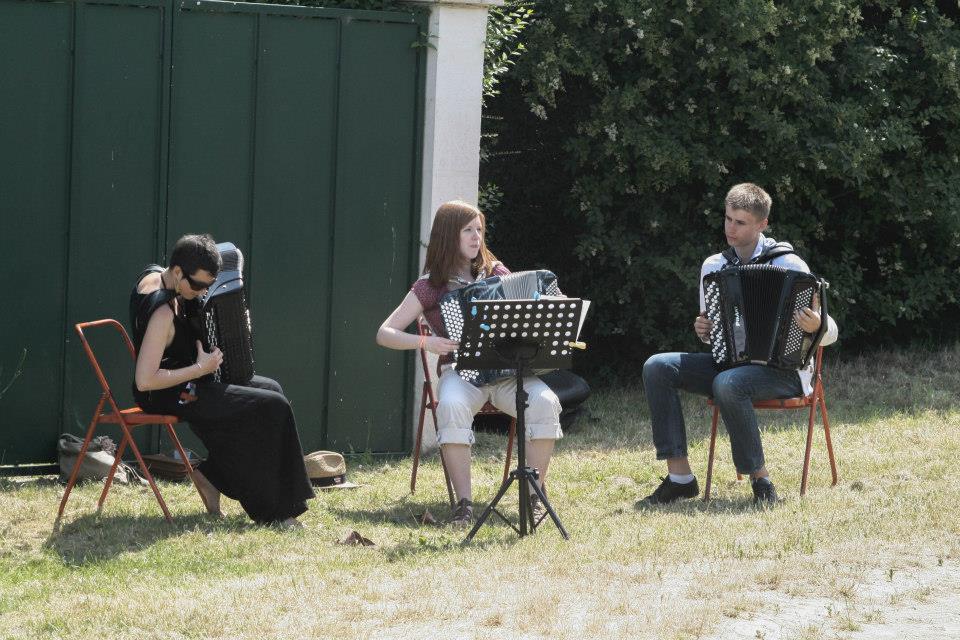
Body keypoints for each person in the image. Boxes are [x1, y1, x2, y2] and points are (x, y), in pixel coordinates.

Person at [641, 183, 838, 505]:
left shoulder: (790, 266)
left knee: (728, 383)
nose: (730, 228)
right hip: (730, 366)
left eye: (741, 222)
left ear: (762, 224)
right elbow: (716, 333)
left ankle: (761, 481)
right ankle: (680, 479)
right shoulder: (714, 266)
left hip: (785, 372)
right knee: (658, 366)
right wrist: (704, 330)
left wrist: (817, 325)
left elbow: (831, 332)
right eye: (728, 219)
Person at [377, 201, 563, 527]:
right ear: (449, 235)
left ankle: (534, 496)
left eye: (479, 229)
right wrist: (426, 342)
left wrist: (552, 305)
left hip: (507, 374)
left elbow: (527, 308)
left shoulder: (496, 273)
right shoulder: (430, 286)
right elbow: (385, 333)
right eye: (468, 230)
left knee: (546, 402)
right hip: (461, 372)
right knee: (450, 405)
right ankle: (463, 505)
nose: (477, 237)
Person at [129, 234, 314, 527]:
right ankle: (276, 513)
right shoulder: (161, 313)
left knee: (272, 390)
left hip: (190, 379)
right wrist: (200, 369)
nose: (203, 292)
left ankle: (211, 475)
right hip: (169, 392)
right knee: (271, 406)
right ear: (177, 271)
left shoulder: (159, 275)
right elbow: (145, 380)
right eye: (198, 285)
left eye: (208, 286)